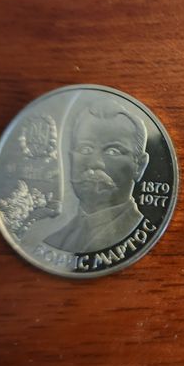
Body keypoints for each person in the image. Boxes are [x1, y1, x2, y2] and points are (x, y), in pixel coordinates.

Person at [45, 99, 149, 253]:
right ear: (71, 158)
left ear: (139, 166)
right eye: (85, 149)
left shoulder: (135, 228)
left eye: (113, 151)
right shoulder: (55, 241)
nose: (95, 163)